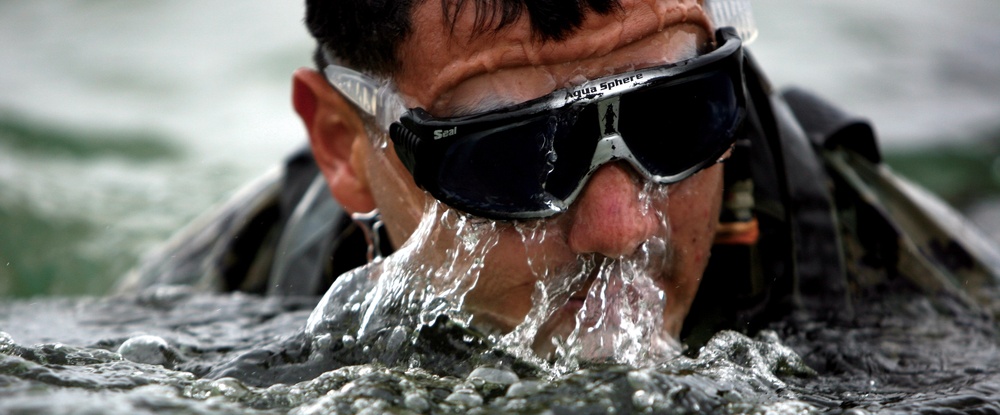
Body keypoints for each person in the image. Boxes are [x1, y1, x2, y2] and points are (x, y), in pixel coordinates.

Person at [117, 0, 1000, 357]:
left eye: (677, 115)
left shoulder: (930, 306)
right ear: (348, 148)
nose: (620, 227)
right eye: (514, 154)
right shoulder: (212, 308)